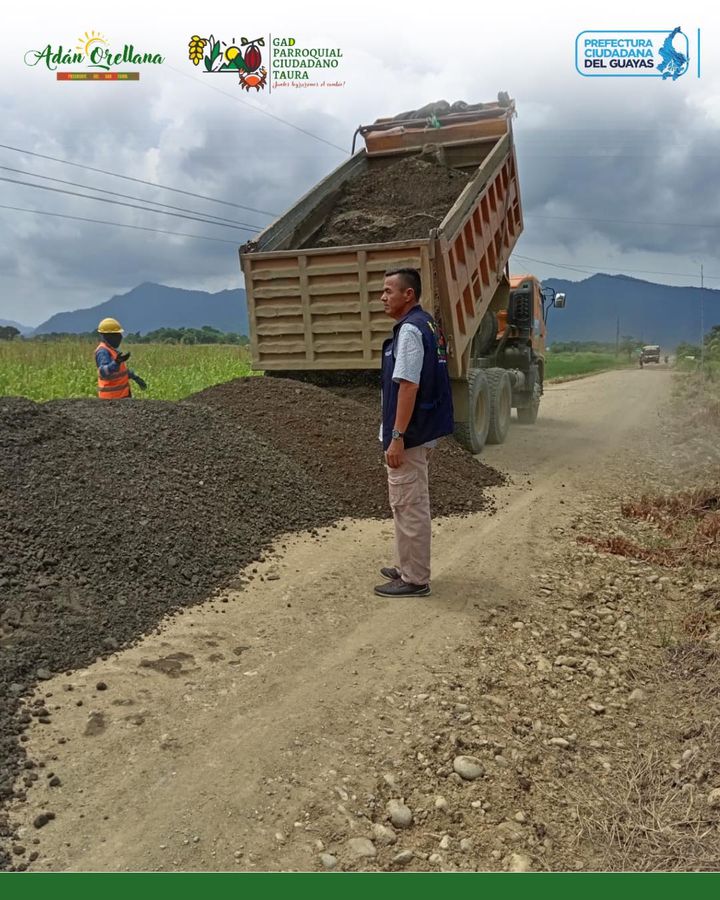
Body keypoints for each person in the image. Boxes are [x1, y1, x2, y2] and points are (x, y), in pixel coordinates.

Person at [374, 268, 454, 598]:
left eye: (388, 291)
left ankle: (415, 579)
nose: (382, 297)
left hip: (410, 435)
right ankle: (404, 564)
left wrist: (397, 436)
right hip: (422, 430)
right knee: (406, 501)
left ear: (408, 295)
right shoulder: (427, 324)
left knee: (409, 504)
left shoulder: (409, 330)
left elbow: (408, 386)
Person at [95, 317, 147, 399]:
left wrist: (135, 377)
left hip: (122, 396)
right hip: (111, 399)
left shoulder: (112, 349)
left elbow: (120, 371)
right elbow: (103, 372)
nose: (119, 337)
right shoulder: (103, 351)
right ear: (106, 336)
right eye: (115, 334)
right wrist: (116, 363)